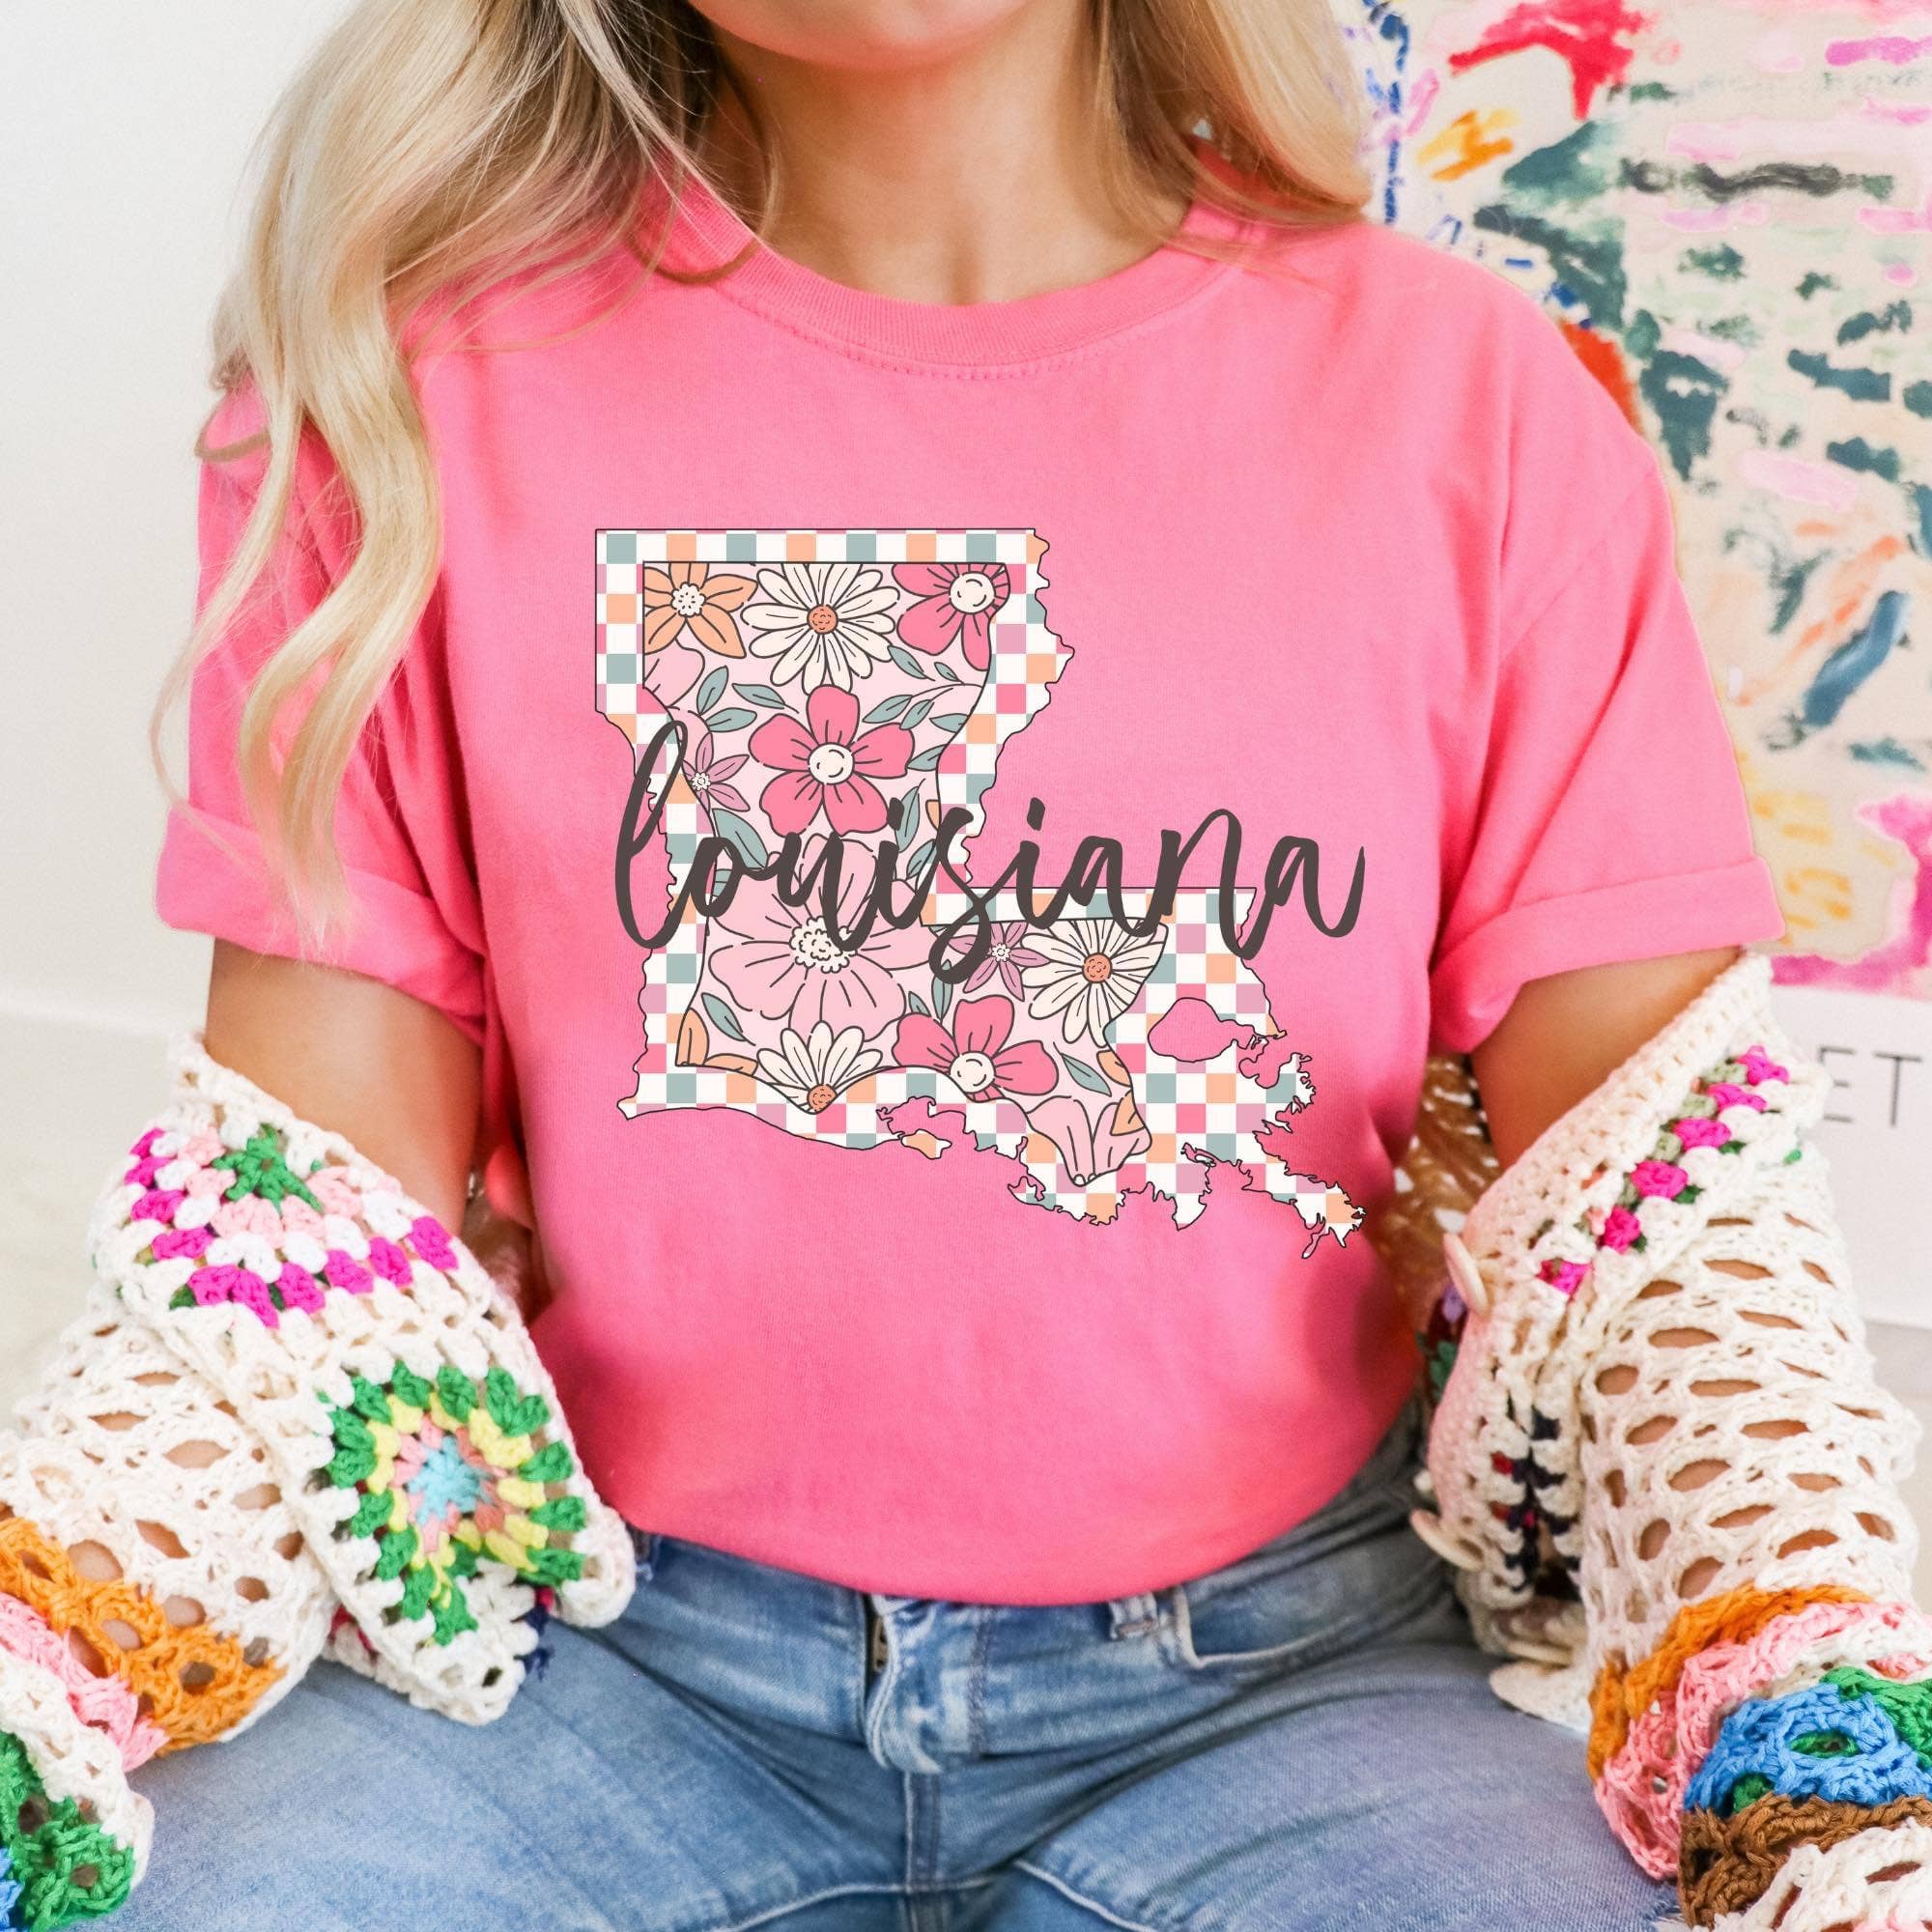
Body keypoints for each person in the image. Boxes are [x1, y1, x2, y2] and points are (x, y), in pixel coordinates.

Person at [4, 2, 1923, 1927]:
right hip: (580, 1673)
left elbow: (1664, 1214)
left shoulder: (1473, 402)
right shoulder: (398, 401)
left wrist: (1805, 1683)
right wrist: (52, 1625)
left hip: (1299, 1693)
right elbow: (300, 1237)